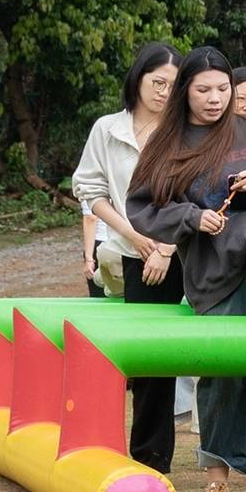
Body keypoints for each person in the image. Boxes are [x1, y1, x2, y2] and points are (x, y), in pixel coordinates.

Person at [126, 49, 246, 492]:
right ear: (185, 90)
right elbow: (141, 207)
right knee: (229, 367)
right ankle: (225, 473)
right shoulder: (166, 142)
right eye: (203, 89)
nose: (215, 99)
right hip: (210, 265)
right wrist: (191, 216)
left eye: (223, 90)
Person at [72, 45, 186, 468]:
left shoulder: (183, 131)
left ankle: (178, 462)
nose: (164, 93)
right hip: (130, 252)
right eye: (158, 82)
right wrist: (134, 236)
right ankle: (142, 459)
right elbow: (91, 189)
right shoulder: (108, 129)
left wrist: (167, 247)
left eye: (173, 87)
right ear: (138, 79)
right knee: (145, 362)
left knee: (177, 359)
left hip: (183, 252)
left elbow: (195, 195)